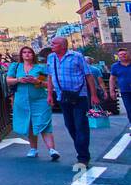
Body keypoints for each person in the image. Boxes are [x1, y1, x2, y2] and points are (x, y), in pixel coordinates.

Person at [45, 36, 99, 168]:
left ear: (63, 46)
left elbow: (88, 75)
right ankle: (81, 147)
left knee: (81, 125)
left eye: (54, 43)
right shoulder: (51, 58)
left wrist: (93, 95)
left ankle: (83, 157)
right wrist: (49, 94)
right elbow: (50, 76)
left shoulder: (76, 56)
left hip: (79, 95)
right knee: (70, 125)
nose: (51, 45)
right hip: (62, 96)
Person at [7, 46, 57, 161]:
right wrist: (19, 80)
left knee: (44, 123)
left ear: (33, 55)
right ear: (21, 55)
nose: (27, 54)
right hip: (22, 100)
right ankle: (33, 149)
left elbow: (47, 84)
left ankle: (52, 150)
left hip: (39, 99)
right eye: (24, 52)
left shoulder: (40, 68)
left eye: (29, 52)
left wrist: (36, 81)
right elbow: (8, 81)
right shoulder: (16, 67)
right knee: (29, 123)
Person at [109, 48, 131, 118]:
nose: (123, 56)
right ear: (118, 56)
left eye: (125, 54)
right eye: (121, 54)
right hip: (125, 91)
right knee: (129, 109)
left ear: (129, 54)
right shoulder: (115, 66)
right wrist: (112, 91)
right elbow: (112, 79)